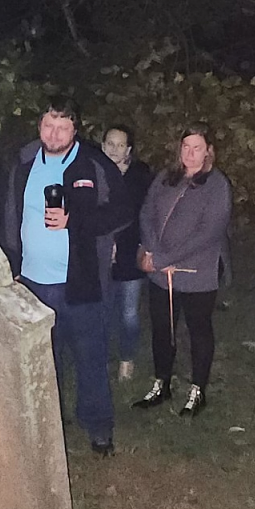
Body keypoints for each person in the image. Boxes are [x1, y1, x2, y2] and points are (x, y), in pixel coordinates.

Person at [0, 99, 128, 455]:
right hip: (32, 285)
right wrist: (13, 265)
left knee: (90, 359)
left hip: (81, 282)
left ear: (75, 129)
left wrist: (77, 221)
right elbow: (11, 213)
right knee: (40, 361)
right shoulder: (23, 164)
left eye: (63, 127)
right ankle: (44, 424)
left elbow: (122, 211)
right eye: (48, 125)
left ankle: (98, 427)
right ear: (39, 126)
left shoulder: (93, 164)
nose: (54, 134)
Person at [132, 127, 234, 416]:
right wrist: (151, 250)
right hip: (159, 272)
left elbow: (208, 232)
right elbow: (146, 212)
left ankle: (197, 389)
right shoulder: (166, 177)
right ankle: (161, 382)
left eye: (197, 147)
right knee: (162, 328)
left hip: (196, 271)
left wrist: (164, 257)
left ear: (208, 151)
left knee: (198, 330)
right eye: (186, 147)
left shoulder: (216, 185)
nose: (190, 153)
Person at [101, 125, 154, 383]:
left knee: (129, 313)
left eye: (120, 145)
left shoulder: (140, 175)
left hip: (131, 253)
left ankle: (127, 358)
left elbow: (149, 212)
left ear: (129, 149)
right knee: (105, 309)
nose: (114, 149)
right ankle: (104, 357)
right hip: (101, 255)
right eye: (110, 143)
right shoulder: (95, 172)